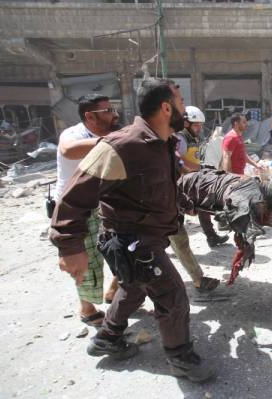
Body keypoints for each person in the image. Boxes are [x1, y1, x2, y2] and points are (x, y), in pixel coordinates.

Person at [50, 78, 214, 382]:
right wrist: (70, 247)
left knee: (133, 288)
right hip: (132, 243)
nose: (185, 111)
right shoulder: (123, 145)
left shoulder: (161, 144)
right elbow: (73, 198)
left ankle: (106, 339)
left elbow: (162, 188)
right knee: (173, 295)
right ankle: (181, 359)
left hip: (147, 239)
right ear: (166, 107)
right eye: (180, 103)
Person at [54, 93, 120, 326]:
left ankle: (113, 292)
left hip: (103, 203)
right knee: (87, 261)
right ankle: (87, 309)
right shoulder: (73, 134)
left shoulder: (113, 135)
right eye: (109, 111)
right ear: (90, 116)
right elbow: (67, 151)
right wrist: (113, 141)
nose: (115, 115)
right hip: (75, 209)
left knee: (119, 252)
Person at [175, 105, 228, 247]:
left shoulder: (193, 137)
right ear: (186, 123)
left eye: (201, 125)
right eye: (196, 125)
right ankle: (165, 245)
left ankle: (211, 237)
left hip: (194, 179)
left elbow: (194, 157)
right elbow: (179, 160)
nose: (199, 128)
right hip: (181, 182)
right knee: (176, 215)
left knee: (203, 206)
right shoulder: (180, 139)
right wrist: (200, 168)